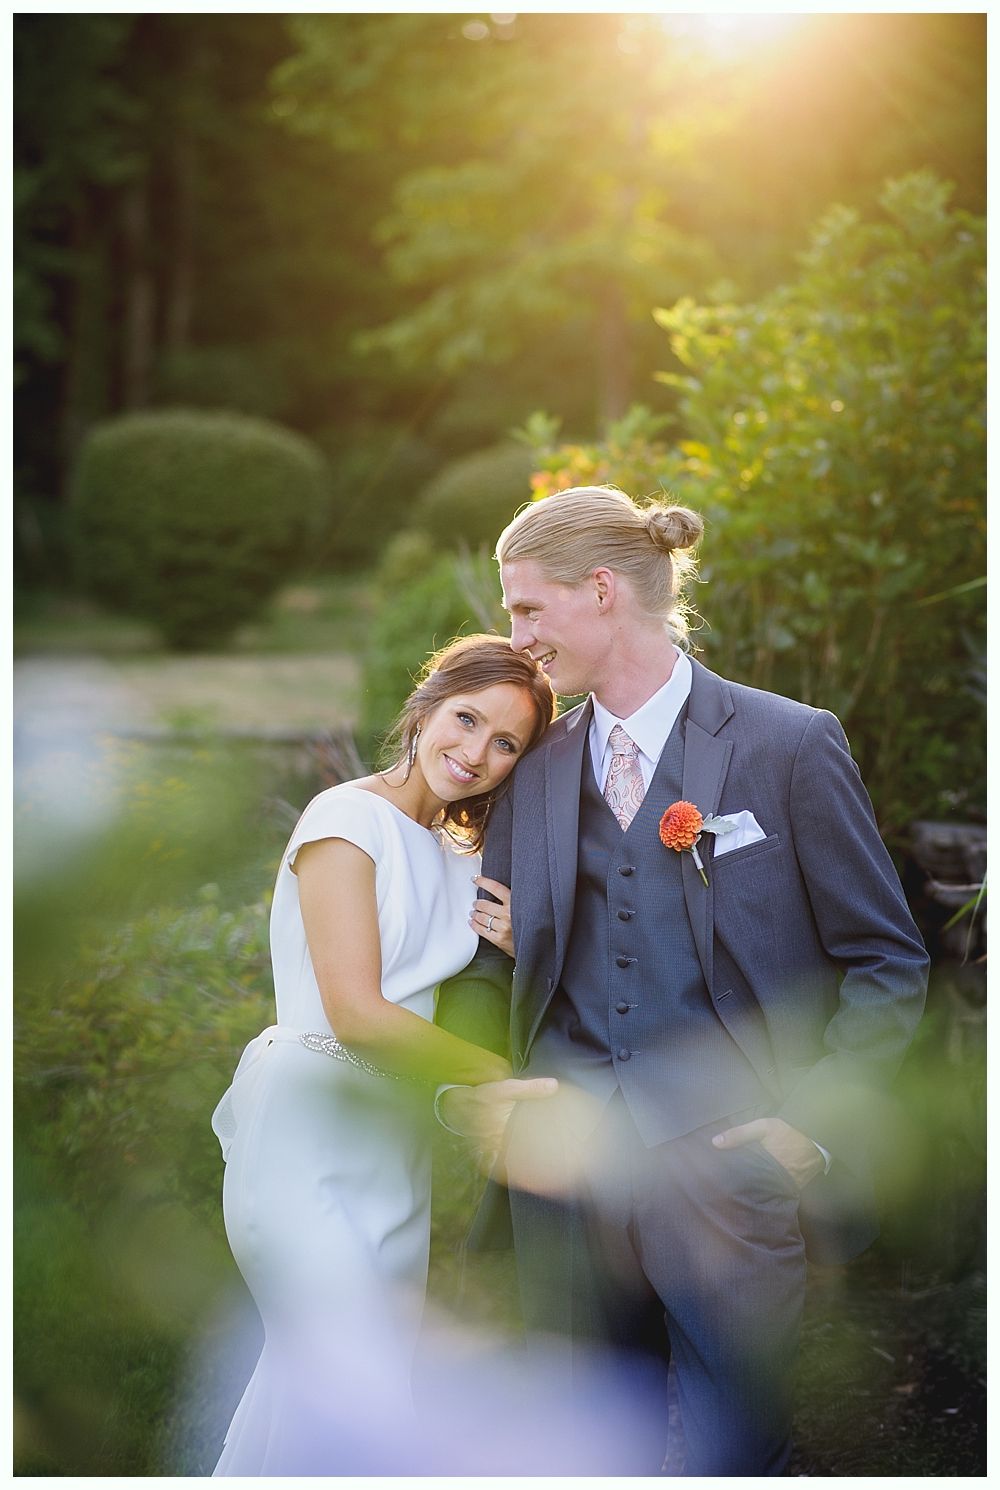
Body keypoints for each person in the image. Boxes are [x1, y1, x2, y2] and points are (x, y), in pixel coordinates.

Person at [436, 486, 929, 1476]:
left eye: (528, 607)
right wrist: (479, 1085)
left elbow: (886, 958)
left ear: (603, 591)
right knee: (579, 1452)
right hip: (563, 1174)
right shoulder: (529, 765)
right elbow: (489, 962)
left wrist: (810, 1124)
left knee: (738, 1447)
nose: (515, 632)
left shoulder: (786, 742)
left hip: (730, 1178)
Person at [209, 634, 556, 1476]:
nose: (474, 753)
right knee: (342, 1377)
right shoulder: (343, 816)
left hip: (391, 1143)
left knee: (338, 1389)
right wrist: (499, 1080)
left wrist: (522, 937)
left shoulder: (464, 858)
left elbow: (466, 988)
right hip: (306, 1121)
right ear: (426, 706)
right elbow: (358, 1013)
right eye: (466, 719)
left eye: (505, 742)